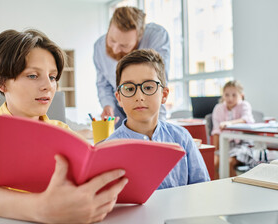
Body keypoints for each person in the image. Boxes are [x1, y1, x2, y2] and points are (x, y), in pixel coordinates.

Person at [0, 29, 128, 224]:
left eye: (53, 77)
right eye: (32, 76)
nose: (48, 86)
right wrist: (42, 208)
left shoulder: (63, 131)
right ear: (1, 82)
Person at [106, 49, 210, 189]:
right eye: (130, 89)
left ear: (164, 94)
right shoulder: (109, 148)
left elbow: (202, 187)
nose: (139, 97)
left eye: (148, 87)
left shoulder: (182, 138)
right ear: (119, 98)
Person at [94, 6, 170, 127]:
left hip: (147, 109)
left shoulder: (157, 36)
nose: (115, 49)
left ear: (138, 39)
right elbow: (103, 84)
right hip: (118, 110)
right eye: (112, 40)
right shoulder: (99, 47)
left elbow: (158, 84)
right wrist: (107, 105)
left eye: (124, 46)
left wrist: (157, 128)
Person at [211, 80, 255, 178]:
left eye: (234, 95)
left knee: (228, 163)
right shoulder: (218, 108)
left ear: (241, 95)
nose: (230, 98)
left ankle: (233, 189)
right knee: (213, 163)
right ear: (223, 95)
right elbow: (216, 132)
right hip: (225, 145)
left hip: (243, 146)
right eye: (226, 95)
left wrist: (229, 123)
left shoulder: (244, 105)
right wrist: (215, 151)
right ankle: (217, 188)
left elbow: (246, 119)